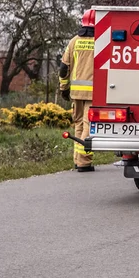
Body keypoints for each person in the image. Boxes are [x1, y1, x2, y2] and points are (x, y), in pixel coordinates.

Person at [60, 9, 96, 171]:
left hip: (75, 93)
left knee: (78, 124)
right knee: (88, 126)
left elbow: (63, 68)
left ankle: (77, 160)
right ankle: (84, 161)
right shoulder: (100, 41)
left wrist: (64, 88)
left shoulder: (73, 42)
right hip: (93, 93)